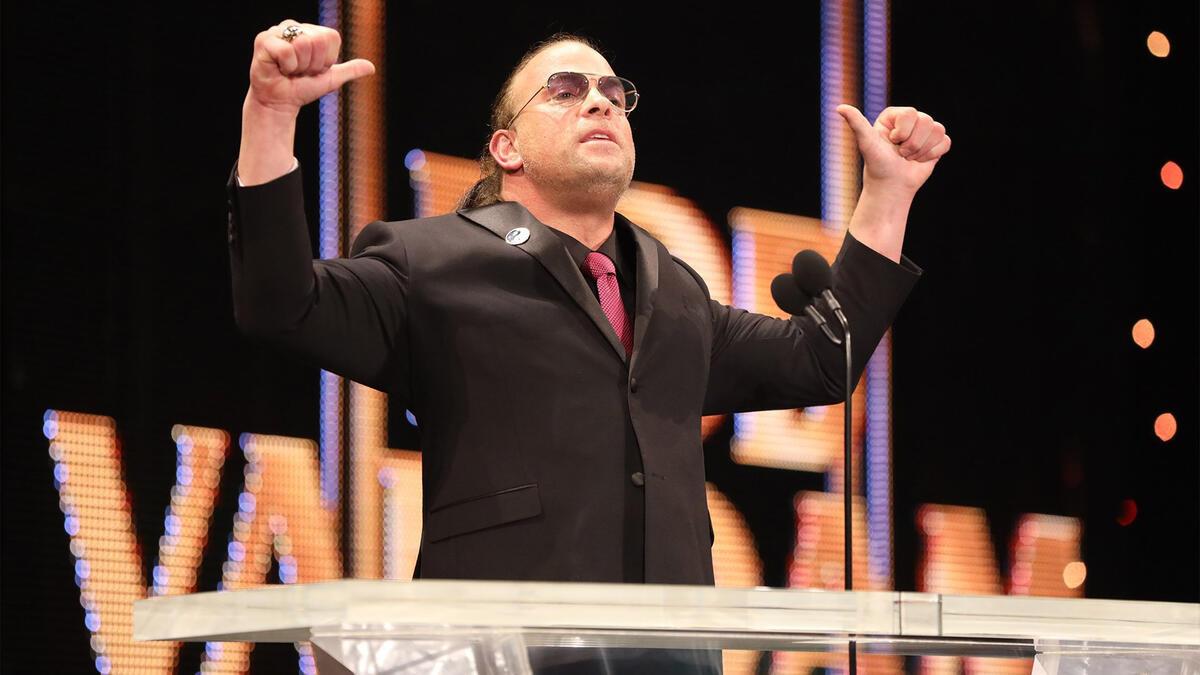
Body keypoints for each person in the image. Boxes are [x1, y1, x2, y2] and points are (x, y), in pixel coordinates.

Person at [229, 21, 947, 587]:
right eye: (566, 91)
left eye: (612, 91)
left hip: (666, 643)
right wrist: (270, 114)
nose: (600, 99)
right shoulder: (432, 259)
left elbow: (820, 362)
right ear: (507, 148)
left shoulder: (679, 291)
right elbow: (282, 304)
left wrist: (888, 195)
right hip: (508, 640)